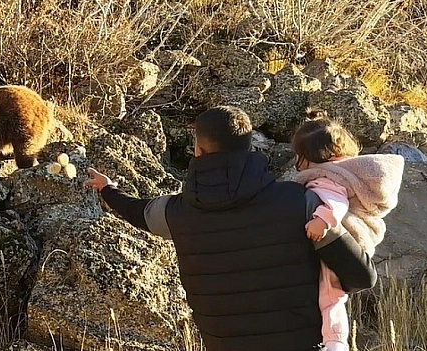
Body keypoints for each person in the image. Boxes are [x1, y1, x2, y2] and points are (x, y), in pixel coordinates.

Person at [85, 106, 377, 351]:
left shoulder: (177, 213)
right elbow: (362, 276)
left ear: (198, 150)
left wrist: (108, 190)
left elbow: (140, 212)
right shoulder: (302, 203)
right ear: (249, 148)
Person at [292, 109, 405, 351]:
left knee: (330, 295)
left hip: (337, 235)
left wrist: (322, 221)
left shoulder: (326, 177)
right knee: (334, 295)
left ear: (306, 157)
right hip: (357, 242)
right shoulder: (349, 173)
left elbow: (335, 202)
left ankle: (335, 343)